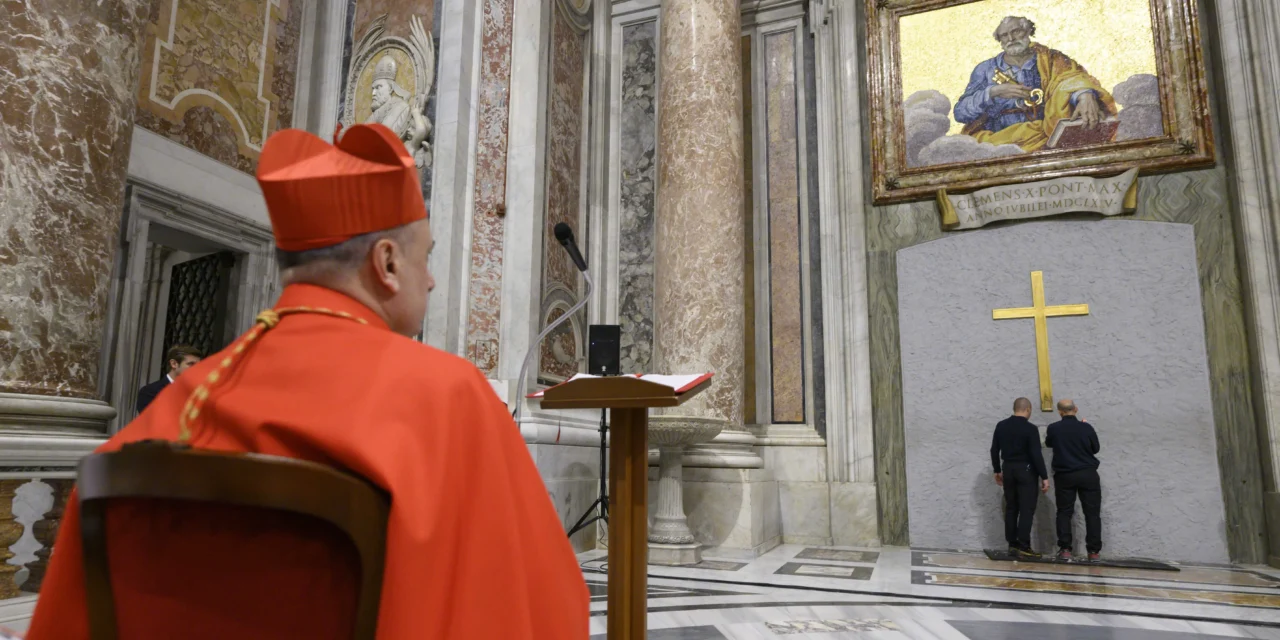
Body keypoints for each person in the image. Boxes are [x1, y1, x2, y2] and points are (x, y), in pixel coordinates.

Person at [26, 124, 589, 639]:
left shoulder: (186, 399)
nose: (434, 279)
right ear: (387, 263)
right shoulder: (449, 397)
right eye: (428, 257)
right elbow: (542, 609)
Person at [954, 16, 1117, 151]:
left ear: (1028, 32)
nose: (1010, 39)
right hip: (1001, 143)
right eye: (1004, 35)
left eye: (1016, 31)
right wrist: (993, 92)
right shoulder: (985, 69)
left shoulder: (1052, 59)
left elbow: (1071, 77)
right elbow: (960, 113)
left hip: (1048, 136)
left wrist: (1084, 94)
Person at [991, 397, 1049, 557]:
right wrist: (1044, 476)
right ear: (1028, 409)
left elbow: (994, 450)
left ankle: (1012, 544)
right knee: (1026, 509)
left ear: (1014, 408)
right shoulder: (1030, 429)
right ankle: (1024, 545)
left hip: (1008, 469)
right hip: (1026, 470)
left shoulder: (1001, 426)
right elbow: (1036, 454)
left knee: (1011, 507)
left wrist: (997, 470)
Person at [1046, 398, 1102, 562]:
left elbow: (1049, 443)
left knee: (1064, 512)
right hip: (1088, 474)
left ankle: (1065, 550)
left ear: (1060, 412)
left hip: (1065, 475)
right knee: (1092, 513)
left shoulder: (1054, 428)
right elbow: (1096, 448)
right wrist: (1085, 427)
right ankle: (1093, 552)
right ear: (1076, 409)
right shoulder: (1086, 427)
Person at [134, 345, 202, 414]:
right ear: (174, 364)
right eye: (191, 364)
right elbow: (153, 420)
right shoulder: (151, 391)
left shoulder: (199, 392)